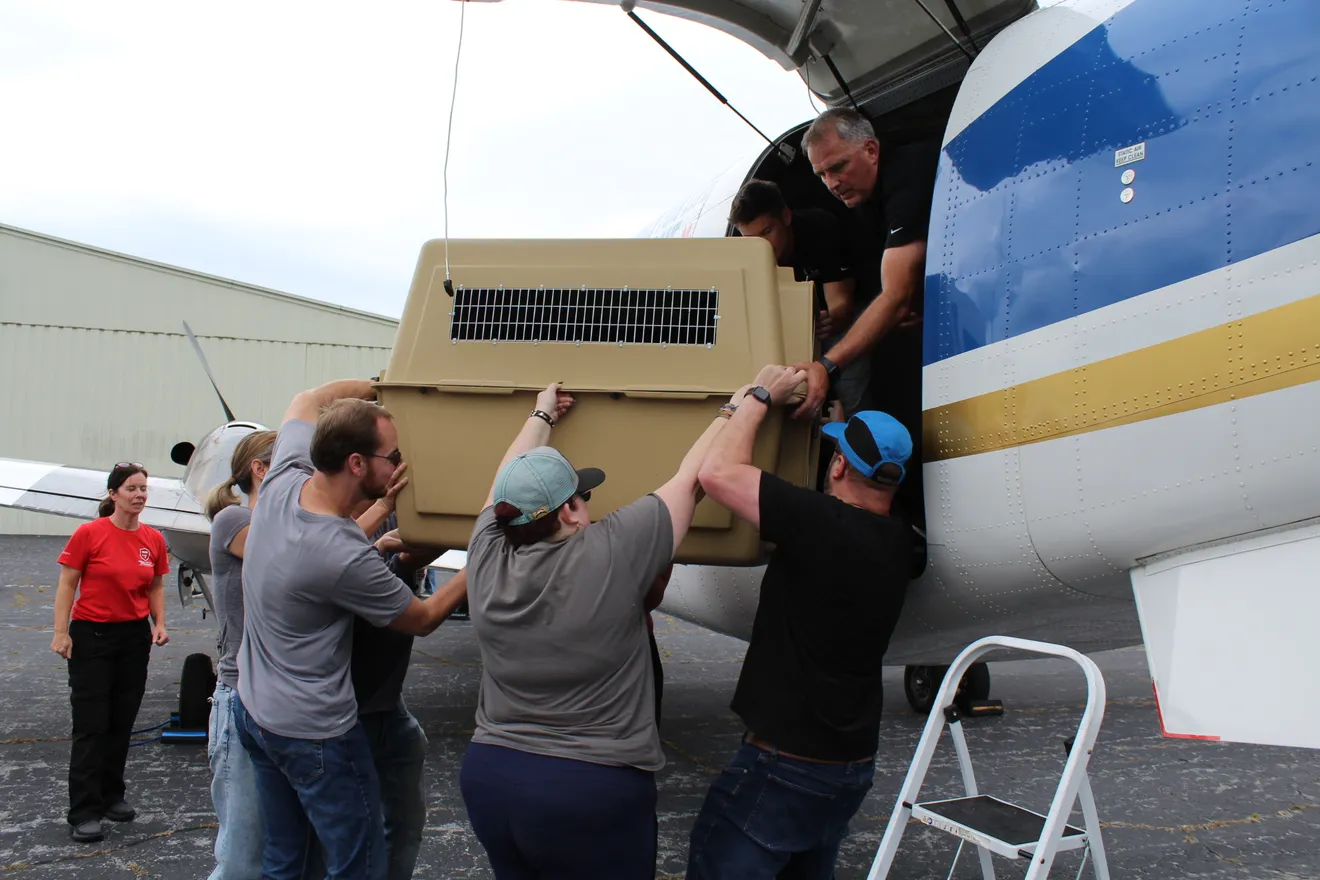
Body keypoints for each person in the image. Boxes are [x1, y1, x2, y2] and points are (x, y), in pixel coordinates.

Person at [459, 381, 745, 880]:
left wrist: (541, 416)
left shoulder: (485, 551)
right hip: (588, 786)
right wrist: (738, 406)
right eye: (583, 496)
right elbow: (692, 479)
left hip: (490, 778)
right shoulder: (611, 550)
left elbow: (503, 482)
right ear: (569, 510)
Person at [686, 365, 916, 879]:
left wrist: (758, 396)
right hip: (849, 769)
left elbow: (716, 474)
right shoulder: (901, 543)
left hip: (784, 770)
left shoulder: (819, 524)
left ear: (836, 466)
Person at [233, 379, 460, 880]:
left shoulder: (284, 480)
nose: (399, 464)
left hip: (255, 712)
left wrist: (384, 385)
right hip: (315, 733)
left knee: (285, 861)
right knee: (360, 864)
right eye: (392, 455)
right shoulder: (339, 552)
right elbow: (421, 619)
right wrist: (484, 550)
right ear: (356, 463)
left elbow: (306, 400)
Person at [302, 495, 468, 880]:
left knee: (404, 827)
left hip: (387, 708)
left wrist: (471, 523)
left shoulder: (387, 525)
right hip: (341, 717)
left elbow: (413, 549)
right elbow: (421, 618)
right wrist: (482, 558)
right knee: (347, 841)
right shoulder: (325, 538)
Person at [795, 107, 940, 525]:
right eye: (822, 175)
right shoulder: (859, 209)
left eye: (838, 167)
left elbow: (894, 296)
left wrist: (826, 364)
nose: (832, 183)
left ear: (872, 150)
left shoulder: (908, 173)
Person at [50, 462, 171, 843]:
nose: (139, 495)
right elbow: (68, 582)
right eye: (132, 488)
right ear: (114, 494)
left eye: (144, 489)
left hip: (133, 638)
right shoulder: (90, 533)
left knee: (122, 720)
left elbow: (154, 586)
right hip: (92, 635)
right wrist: (61, 632)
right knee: (92, 724)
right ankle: (84, 810)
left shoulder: (152, 539)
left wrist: (160, 623)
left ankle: (111, 796)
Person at [729, 178, 870, 416]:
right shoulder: (742, 255)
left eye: (767, 232)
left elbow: (842, 305)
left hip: (834, 330)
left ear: (785, 216)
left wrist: (827, 320)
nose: (763, 246)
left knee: (851, 393)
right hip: (783, 336)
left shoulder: (819, 228)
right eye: (753, 239)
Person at [203, 430, 277, 880]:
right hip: (240, 697)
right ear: (261, 470)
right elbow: (290, 554)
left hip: (275, 700)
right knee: (242, 859)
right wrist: (380, 511)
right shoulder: (233, 519)